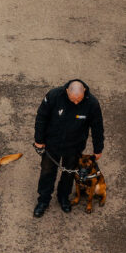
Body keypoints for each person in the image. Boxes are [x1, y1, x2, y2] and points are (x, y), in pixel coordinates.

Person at [32, 79, 104, 217]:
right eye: (73, 100)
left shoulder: (92, 104)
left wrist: (98, 148)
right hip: (51, 144)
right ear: (67, 91)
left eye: (79, 100)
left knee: (69, 174)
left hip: (74, 147)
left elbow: (97, 127)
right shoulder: (53, 96)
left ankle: (63, 197)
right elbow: (41, 117)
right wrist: (39, 140)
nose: (76, 102)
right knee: (47, 172)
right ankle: (43, 200)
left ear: (84, 91)